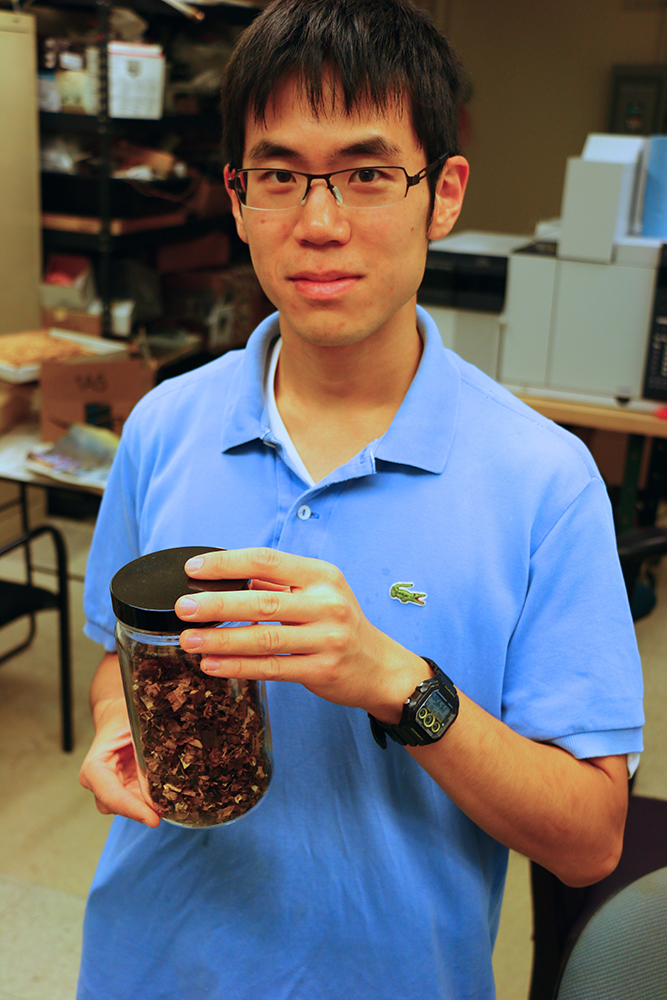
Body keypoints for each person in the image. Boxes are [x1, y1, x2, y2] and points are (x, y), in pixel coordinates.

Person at [77, 1, 644, 997]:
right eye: (279, 174)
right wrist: (115, 724)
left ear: (444, 192)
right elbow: (113, 660)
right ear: (238, 197)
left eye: (369, 173)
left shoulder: (543, 480)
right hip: (145, 964)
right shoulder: (162, 426)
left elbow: (590, 840)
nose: (320, 221)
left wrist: (396, 679)